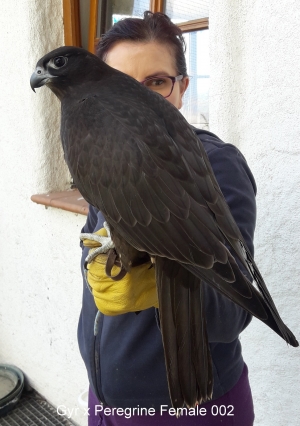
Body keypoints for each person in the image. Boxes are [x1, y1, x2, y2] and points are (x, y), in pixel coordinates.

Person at [78, 11, 256, 426]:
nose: (136, 97)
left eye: (156, 82)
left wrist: (156, 279)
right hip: (107, 396)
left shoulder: (216, 165)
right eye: (120, 83)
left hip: (191, 406)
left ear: (182, 88)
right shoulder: (101, 156)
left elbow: (233, 313)